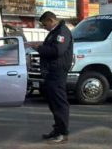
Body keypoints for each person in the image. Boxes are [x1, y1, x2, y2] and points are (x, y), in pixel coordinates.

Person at [36, 11, 73, 144]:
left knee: (59, 103)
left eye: (44, 24)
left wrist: (39, 48)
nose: (44, 27)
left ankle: (62, 132)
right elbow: (51, 46)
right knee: (53, 103)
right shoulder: (54, 32)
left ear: (51, 20)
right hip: (51, 72)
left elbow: (57, 51)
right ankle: (57, 130)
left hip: (57, 72)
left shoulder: (62, 32)